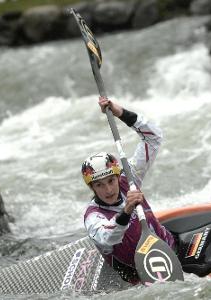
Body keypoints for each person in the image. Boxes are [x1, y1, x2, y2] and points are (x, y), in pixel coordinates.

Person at [82, 97, 176, 283]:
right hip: (141, 278)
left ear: (118, 176)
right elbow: (108, 237)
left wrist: (120, 113)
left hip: (170, 248)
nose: (108, 189)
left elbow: (153, 137)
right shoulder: (92, 216)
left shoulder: (129, 178)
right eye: (99, 185)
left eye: (111, 181)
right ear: (91, 187)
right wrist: (126, 210)